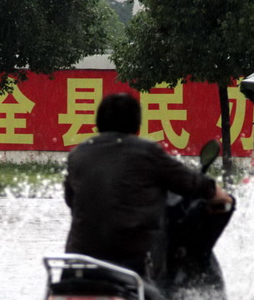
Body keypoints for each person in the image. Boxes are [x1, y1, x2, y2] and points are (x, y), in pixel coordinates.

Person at [64, 92, 233, 282]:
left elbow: (71, 200)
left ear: (99, 122)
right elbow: (190, 181)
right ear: (137, 125)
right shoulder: (147, 152)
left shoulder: (77, 155)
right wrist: (217, 192)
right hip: (133, 260)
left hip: (79, 259)